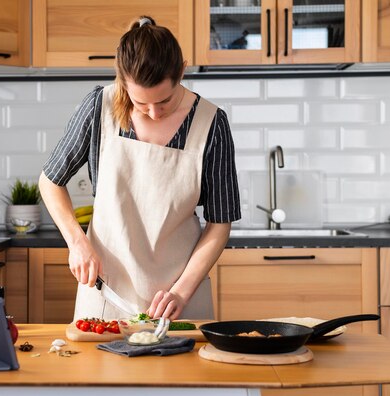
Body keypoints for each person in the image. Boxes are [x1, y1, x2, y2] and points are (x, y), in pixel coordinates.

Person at [40, 16, 240, 325]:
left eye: (165, 101)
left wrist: (181, 293)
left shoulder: (212, 123)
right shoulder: (99, 107)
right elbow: (50, 182)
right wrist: (77, 242)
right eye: (141, 103)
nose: (154, 113)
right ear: (122, 82)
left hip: (179, 300)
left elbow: (219, 223)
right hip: (106, 294)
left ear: (182, 71)